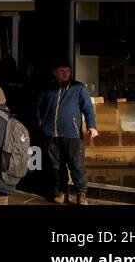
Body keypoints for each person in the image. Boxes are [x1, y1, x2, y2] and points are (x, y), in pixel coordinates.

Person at [37, 60, 98, 205]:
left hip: (73, 134)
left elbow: (88, 108)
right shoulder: (47, 89)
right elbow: (39, 107)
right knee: (56, 167)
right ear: (54, 72)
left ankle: (81, 195)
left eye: (67, 71)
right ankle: (61, 193)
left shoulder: (78, 88)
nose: (65, 73)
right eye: (61, 70)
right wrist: (41, 124)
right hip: (51, 134)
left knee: (77, 166)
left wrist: (91, 126)